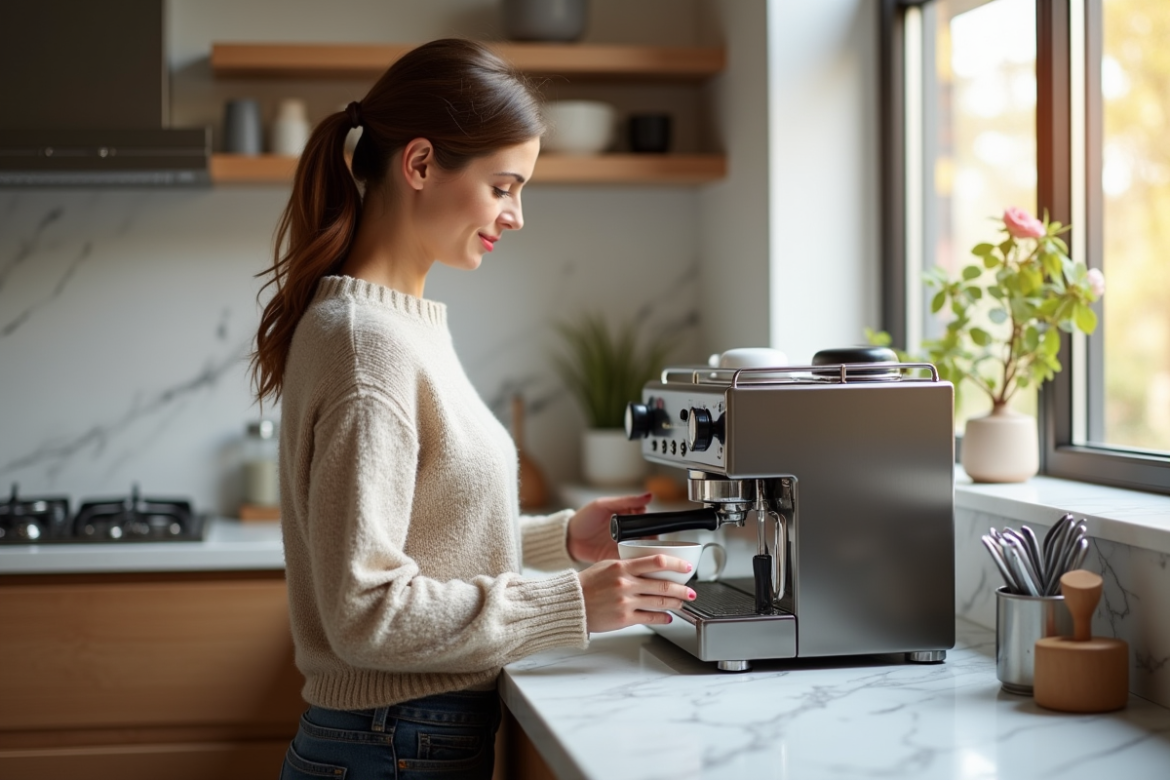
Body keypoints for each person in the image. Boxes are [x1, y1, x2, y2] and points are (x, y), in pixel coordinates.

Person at [250, 39, 696, 780]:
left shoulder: (395, 325)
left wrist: (565, 541)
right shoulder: (369, 344)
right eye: (503, 186)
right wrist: (569, 602)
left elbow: (430, 532)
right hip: (390, 745)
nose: (516, 216)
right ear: (420, 165)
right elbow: (366, 613)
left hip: (397, 740)